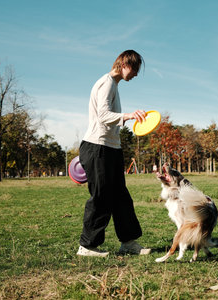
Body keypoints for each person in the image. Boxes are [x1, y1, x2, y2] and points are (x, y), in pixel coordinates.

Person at [76, 50, 151, 257]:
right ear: (124, 63)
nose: (135, 74)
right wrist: (128, 116)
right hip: (97, 146)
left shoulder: (114, 85)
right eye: (134, 68)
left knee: (120, 197)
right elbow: (103, 115)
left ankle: (128, 242)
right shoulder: (106, 83)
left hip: (111, 148)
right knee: (101, 197)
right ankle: (87, 246)